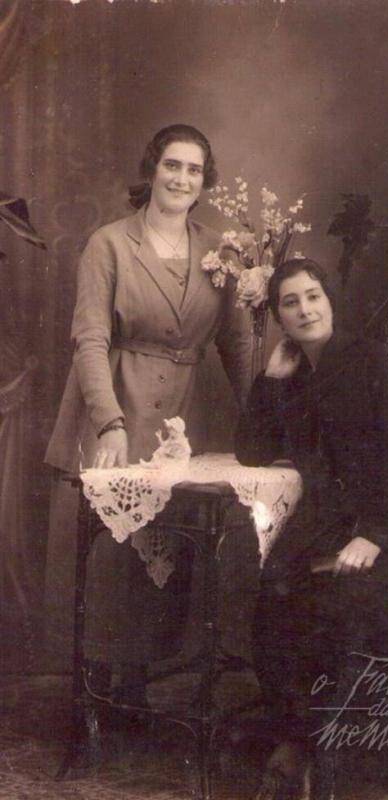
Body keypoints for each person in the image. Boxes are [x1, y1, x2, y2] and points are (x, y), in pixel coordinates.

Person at [45, 124, 251, 705]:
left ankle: (138, 686)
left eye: (193, 170)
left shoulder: (220, 252)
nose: (182, 179)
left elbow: (237, 343)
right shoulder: (109, 244)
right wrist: (108, 422)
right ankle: (98, 687)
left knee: (169, 547)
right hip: (119, 399)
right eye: (172, 165)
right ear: (152, 169)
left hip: (185, 414)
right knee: (113, 549)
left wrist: (259, 418)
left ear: (205, 181)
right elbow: (89, 339)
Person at [235, 258, 388, 799]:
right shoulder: (293, 374)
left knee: (334, 605)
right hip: (328, 521)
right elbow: (251, 451)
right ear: (279, 317)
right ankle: (295, 741)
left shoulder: (373, 359)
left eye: (313, 296)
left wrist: (373, 535)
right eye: (290, 303)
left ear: (329, 300)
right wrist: (271, 381)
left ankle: (322, 756)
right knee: (273, 593)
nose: (305, 310)